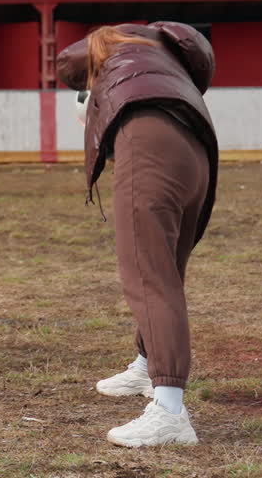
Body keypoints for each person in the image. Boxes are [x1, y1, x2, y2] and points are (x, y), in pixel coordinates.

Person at [56, 22, 218, 447]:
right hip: (197, 149)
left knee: (148, 275)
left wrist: (93, 73)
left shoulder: (114, 41)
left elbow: (66, 62)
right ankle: (147, 365)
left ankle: (169, 411)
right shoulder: (170, 60)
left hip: (147, 145)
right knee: (166, 268)